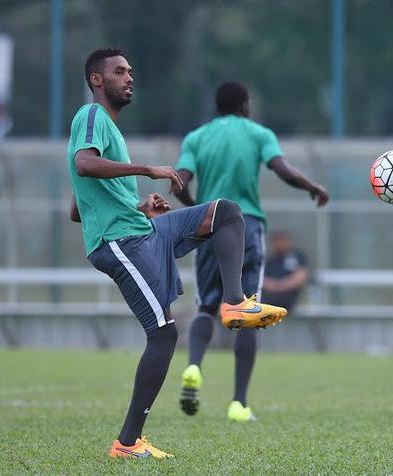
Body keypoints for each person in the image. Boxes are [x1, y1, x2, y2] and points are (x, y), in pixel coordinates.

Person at [67, 49, 287, 459]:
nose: (129, 77)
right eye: (119, 71)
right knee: (164, 334)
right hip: (121, 243)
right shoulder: (92, 117)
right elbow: (84, 166)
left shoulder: (108, 132)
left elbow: (78, 208)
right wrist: (147, 170)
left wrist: (139, 206)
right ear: (97, 80)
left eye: (131, 70)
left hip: (138, 228)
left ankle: (235, 302)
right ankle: (128, 443)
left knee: (225, 212)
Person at [174, 81, 329, 422]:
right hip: (248, 227)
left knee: (206, 305)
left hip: (210, 225)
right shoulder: (259, 134)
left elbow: (178, 181)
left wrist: (197, 209)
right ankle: (238, 404)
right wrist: (312, 186)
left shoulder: (196, 138)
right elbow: (283, 170)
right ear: (245, 105)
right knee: (246, 310)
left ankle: (195, 367)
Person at [262, 231, 310, 312]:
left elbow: (301, 276)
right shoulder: (270, 261)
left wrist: (283, 285)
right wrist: (274, 286)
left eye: (283, 241)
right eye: (277, 241)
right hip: (269, 300)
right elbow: (262, 279)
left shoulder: (297, 257)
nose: (281, 244)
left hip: (289, 300)